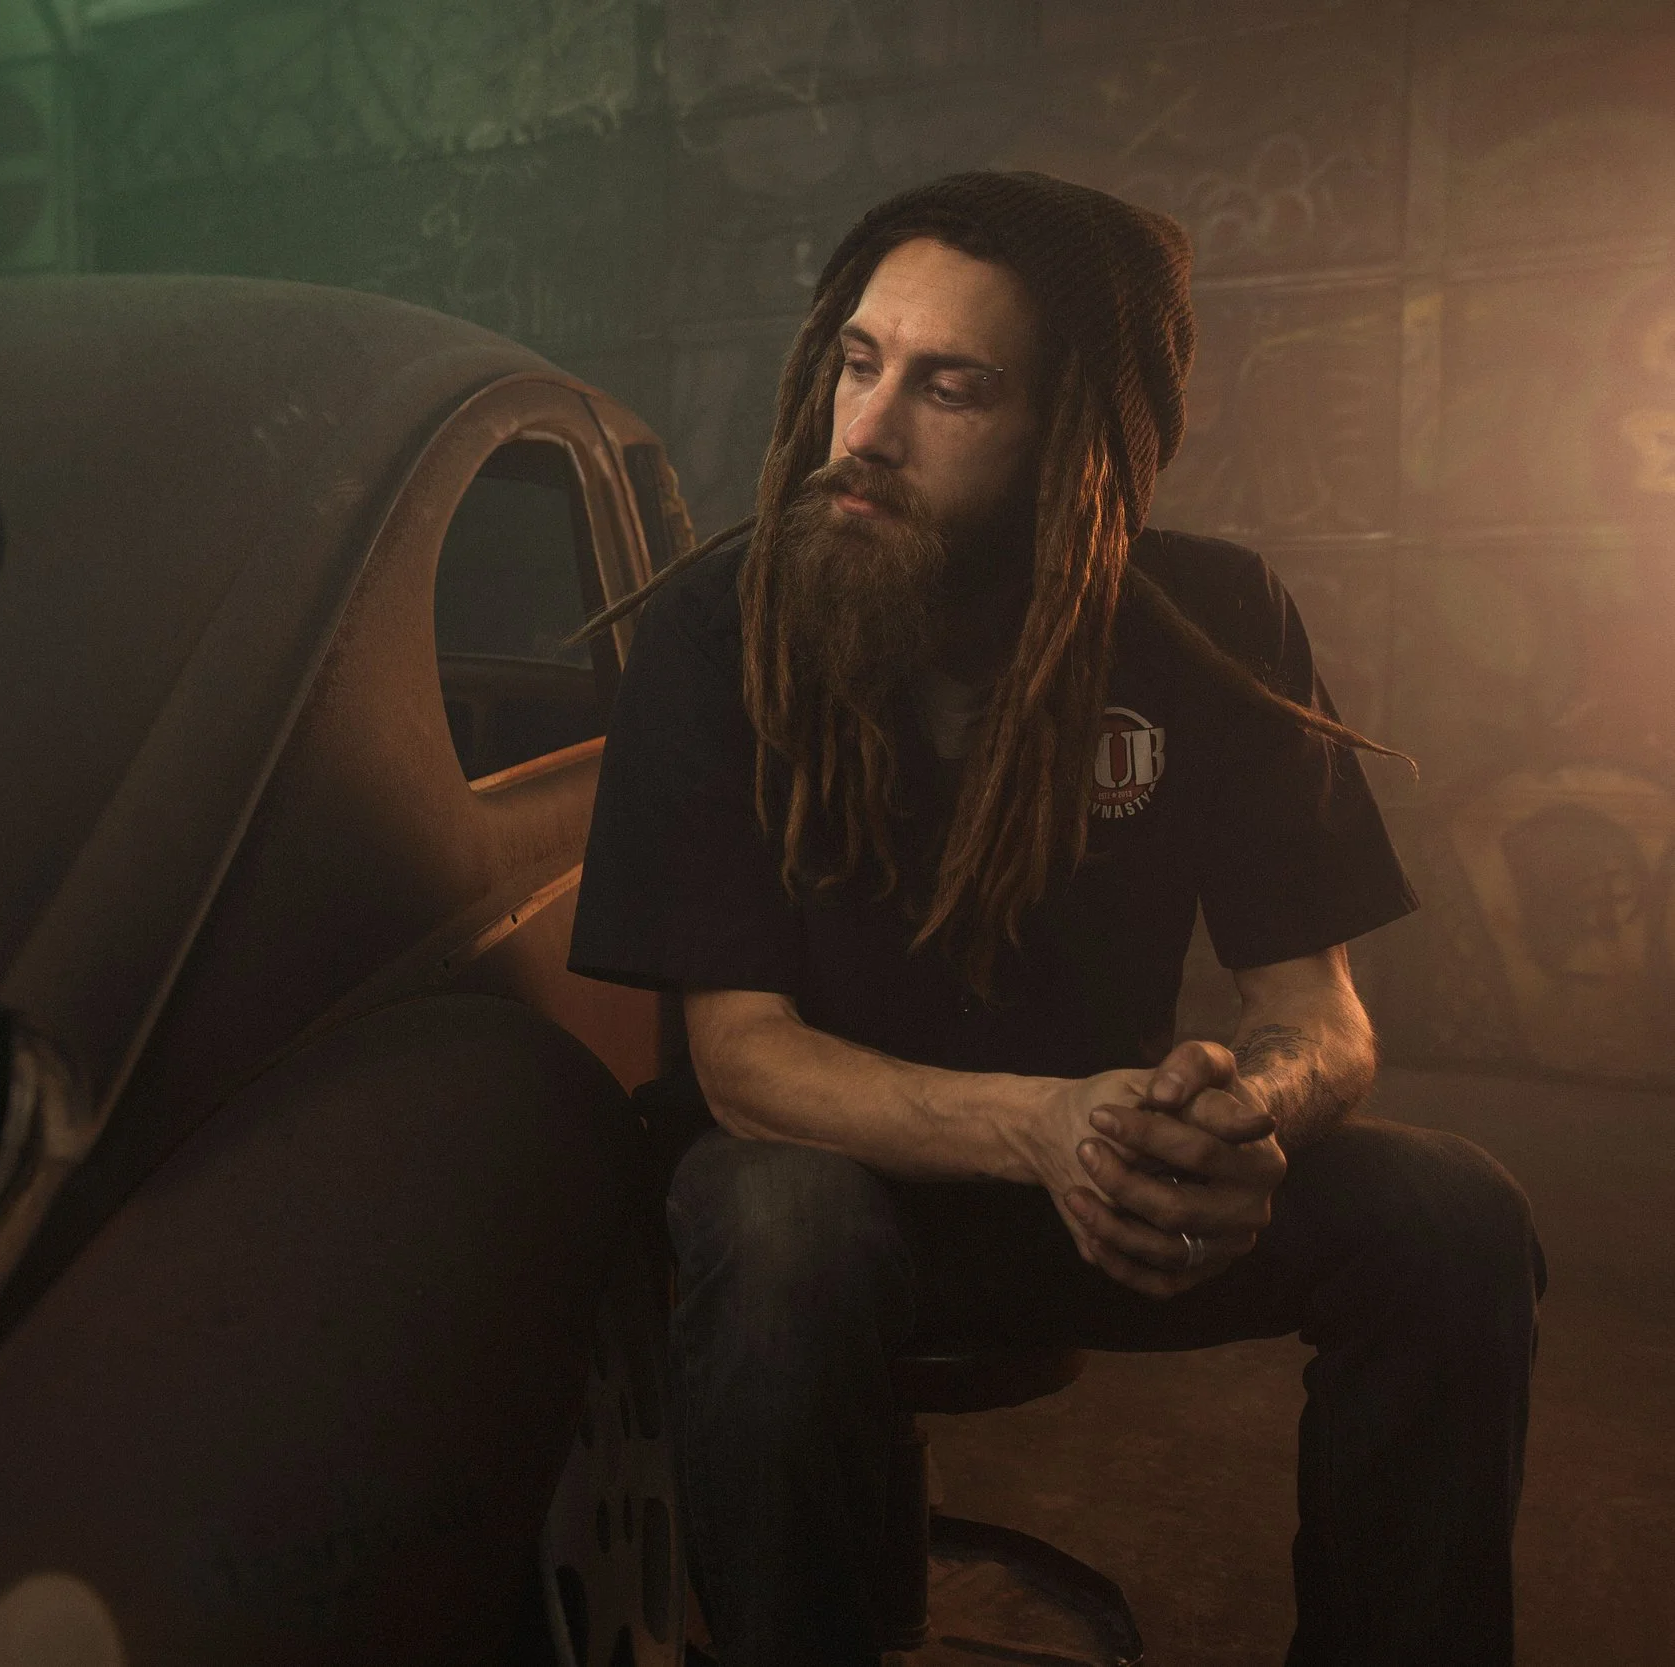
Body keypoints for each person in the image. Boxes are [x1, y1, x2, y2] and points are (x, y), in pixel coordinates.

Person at [567, 171, 1545, 1667]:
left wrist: (1231, 1113)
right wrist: (1052, 1125)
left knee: (1453, 1215)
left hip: (1108, 1192)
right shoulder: (724, 631)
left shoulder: (1211, 620)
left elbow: (1319, 1012)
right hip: (847, 1187)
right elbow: (743, 1062)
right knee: (778, 1219)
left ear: (1081, 441)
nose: (869, 431)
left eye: (950, 387)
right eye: (860, 363)